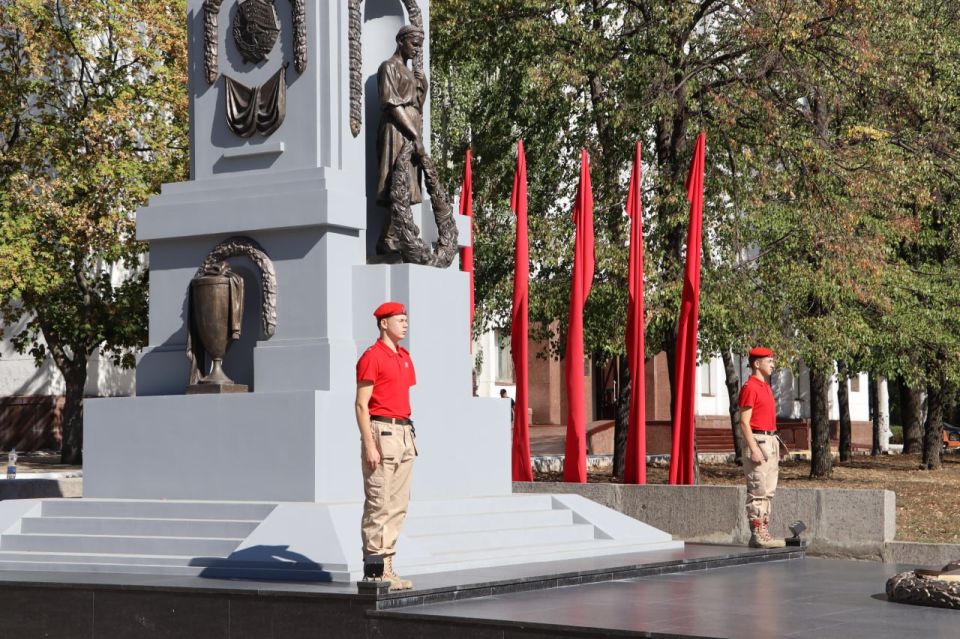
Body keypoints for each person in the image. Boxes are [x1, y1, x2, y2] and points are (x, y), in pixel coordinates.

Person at [356, 301, 418, 589]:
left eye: (406, 319)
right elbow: (361, 405)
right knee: (379, 503)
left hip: (405, 432)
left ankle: (388, 567)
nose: (405, 324)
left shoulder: (404, 356)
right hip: (381, 431)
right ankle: (374, 570)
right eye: (399, 319)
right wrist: (369, 444)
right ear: (384, 323)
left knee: (398, 505)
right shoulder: (372, 356)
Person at [375, 25, 427, 255]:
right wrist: (414, 134)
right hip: (396, 130)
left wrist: (422, 86)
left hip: (411, 130)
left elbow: (416, 105)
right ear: (401, 41)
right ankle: (387, 237)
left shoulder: (411, 73)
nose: (417, 50)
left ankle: (398, 234)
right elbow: (392, 103)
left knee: (407, 184)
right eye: (414, 44)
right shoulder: (388, 67)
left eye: (420, 46)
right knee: (395, 183)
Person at [737, 346, 785, 548]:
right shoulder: (750, 387)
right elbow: (744, 422)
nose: (773, 364)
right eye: (769, 360)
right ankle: (758, 533)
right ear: (757, 364)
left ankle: (763, 531)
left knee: (768, 490)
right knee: (757, 489)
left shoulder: (765, 386)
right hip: (758, 441)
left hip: (770, 440)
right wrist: (754, 448)